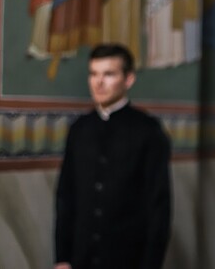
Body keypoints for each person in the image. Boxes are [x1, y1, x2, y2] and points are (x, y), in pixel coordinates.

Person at [55, 44, 172, 269]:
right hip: (81, 258)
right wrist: (62, 258)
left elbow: (158, 207)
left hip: (128, 259)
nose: (98, 82)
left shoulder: (148, 130)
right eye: (93, 74)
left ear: (128, 79)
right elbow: (65, 196)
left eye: (109, 74)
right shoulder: (79, 129)